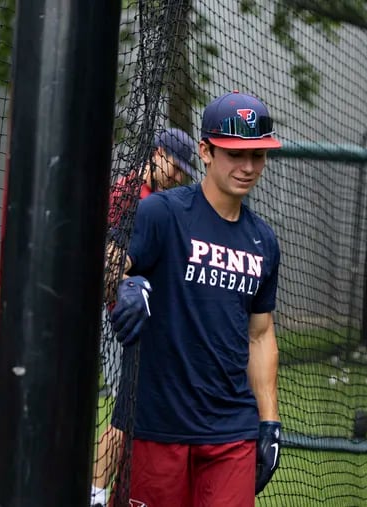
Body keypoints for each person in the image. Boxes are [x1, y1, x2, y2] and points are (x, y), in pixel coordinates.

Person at [108, 91, 283, 507]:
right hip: (157, 426)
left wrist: (270, 421)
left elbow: (260, 335)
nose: (247, 167)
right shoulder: (163, 213)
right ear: (205, 151)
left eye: (257, 156)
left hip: (231, 433)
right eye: (234, 154)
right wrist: (122, 284)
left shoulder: (264, 242)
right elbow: (109, 261)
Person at [92, 128, 197, 507]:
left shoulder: (154, 197)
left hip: (133, 321)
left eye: (184, 169)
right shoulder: (130, 193)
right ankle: (95, 495)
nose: (178, 174)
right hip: (116, 319)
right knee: (124, 415)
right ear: (157, 153)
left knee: (132, 413)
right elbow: (109, 261)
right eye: (174, 164)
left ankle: (110, 493)